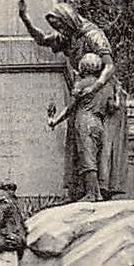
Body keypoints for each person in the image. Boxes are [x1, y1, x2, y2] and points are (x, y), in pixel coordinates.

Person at [19, 0, 129, 200]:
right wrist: (25, 18)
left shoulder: (93, 35)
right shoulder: (68, 36)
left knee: (101, 148)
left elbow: (110, 65)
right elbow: (42, 39)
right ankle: (88, 191)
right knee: (84, 145)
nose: (57, 29)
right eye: (54, 26)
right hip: (87, 94)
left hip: (103, 91)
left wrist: (95, 87)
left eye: (58, 24)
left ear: (67, 19)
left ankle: (98, 192)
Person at [46, 53, 107, 201]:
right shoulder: (104, 86)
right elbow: (112, 106)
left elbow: (70, 108)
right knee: (94, 156)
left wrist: (54, 120)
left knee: (87, 157)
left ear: (84, 67)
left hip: (84, 120)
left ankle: (93, 194)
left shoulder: (82, 84)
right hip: (99, 123)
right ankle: (96, 192)